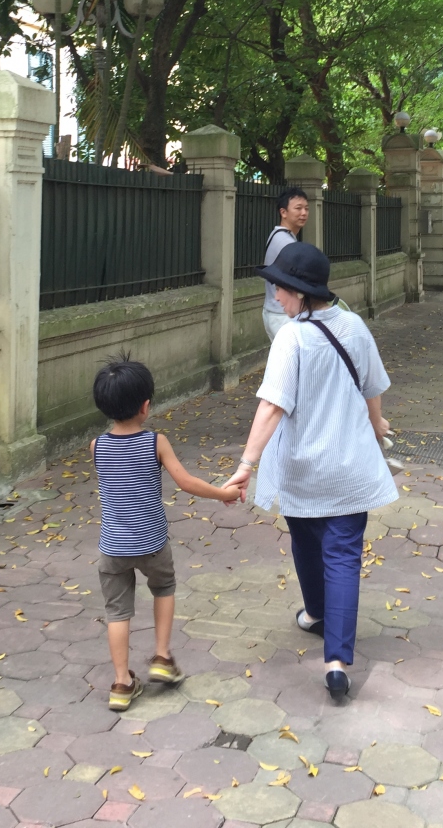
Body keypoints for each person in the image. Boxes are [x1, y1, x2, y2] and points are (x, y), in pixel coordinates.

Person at [223, 242, 398, 700]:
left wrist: (246, 465)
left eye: (280, 288)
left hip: (302, 469)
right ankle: (336, 662)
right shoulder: (354, 326)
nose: (276, 296)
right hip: (350, 468)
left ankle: (316, 613)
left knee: (305, 541)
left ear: (300, 292)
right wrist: (375, 424)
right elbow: (372, 387)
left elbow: (272, 406)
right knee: (342, 557)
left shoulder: (292, 337)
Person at [91, 356, 243, 711]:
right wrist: (223, 493)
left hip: (112, 547)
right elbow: (185, 482)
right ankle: (161, 655)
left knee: (117, 611)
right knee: (164, 587)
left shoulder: (97, 446)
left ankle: (121, 683)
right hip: (152, 543)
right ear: (145, 406)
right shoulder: (155, 442)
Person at [262, 187, 309, 341]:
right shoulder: (286, 242)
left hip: (274, 311)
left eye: (306, 208)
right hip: (283, 315)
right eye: (298, 208)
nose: (304, 213)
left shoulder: (277, 235)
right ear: (283, 212)